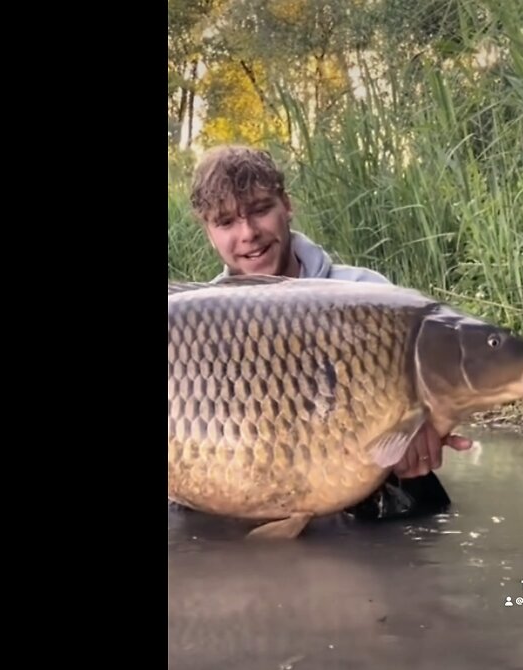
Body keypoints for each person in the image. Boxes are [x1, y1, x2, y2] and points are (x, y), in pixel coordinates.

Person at [187, 144, 472, 520]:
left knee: (425, 515)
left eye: (260, 210)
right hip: (239, 481)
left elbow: (421, 394)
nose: (248, 234)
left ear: (286, 205)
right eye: (226, 223)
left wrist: (417, 432)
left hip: (354, 485)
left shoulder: (367, 295)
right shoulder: (191, 325)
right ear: (209, 232)